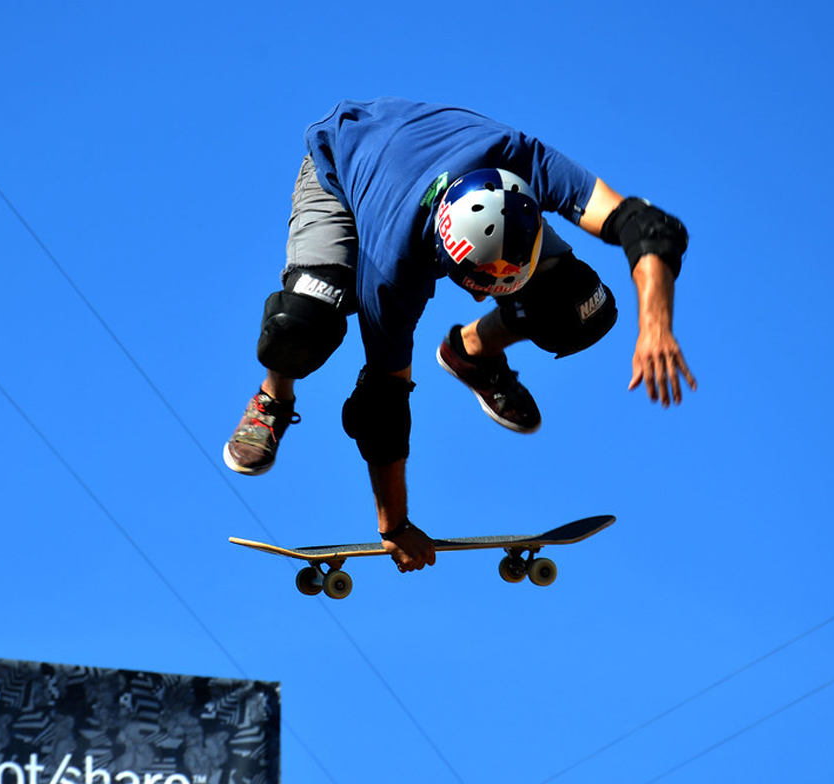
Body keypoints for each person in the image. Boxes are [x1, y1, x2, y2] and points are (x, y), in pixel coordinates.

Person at [224, 97, 696, 574]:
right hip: (343, 171)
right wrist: (395, 526)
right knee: (301, 325)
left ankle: (473, 353)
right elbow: (382, 403)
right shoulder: (393, 268)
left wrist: (656, 326)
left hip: (463, 176)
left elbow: (648, 226)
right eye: (476, 287)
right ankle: (273, 397)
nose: (476, 299)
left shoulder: (527, 161)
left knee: (580, 307)